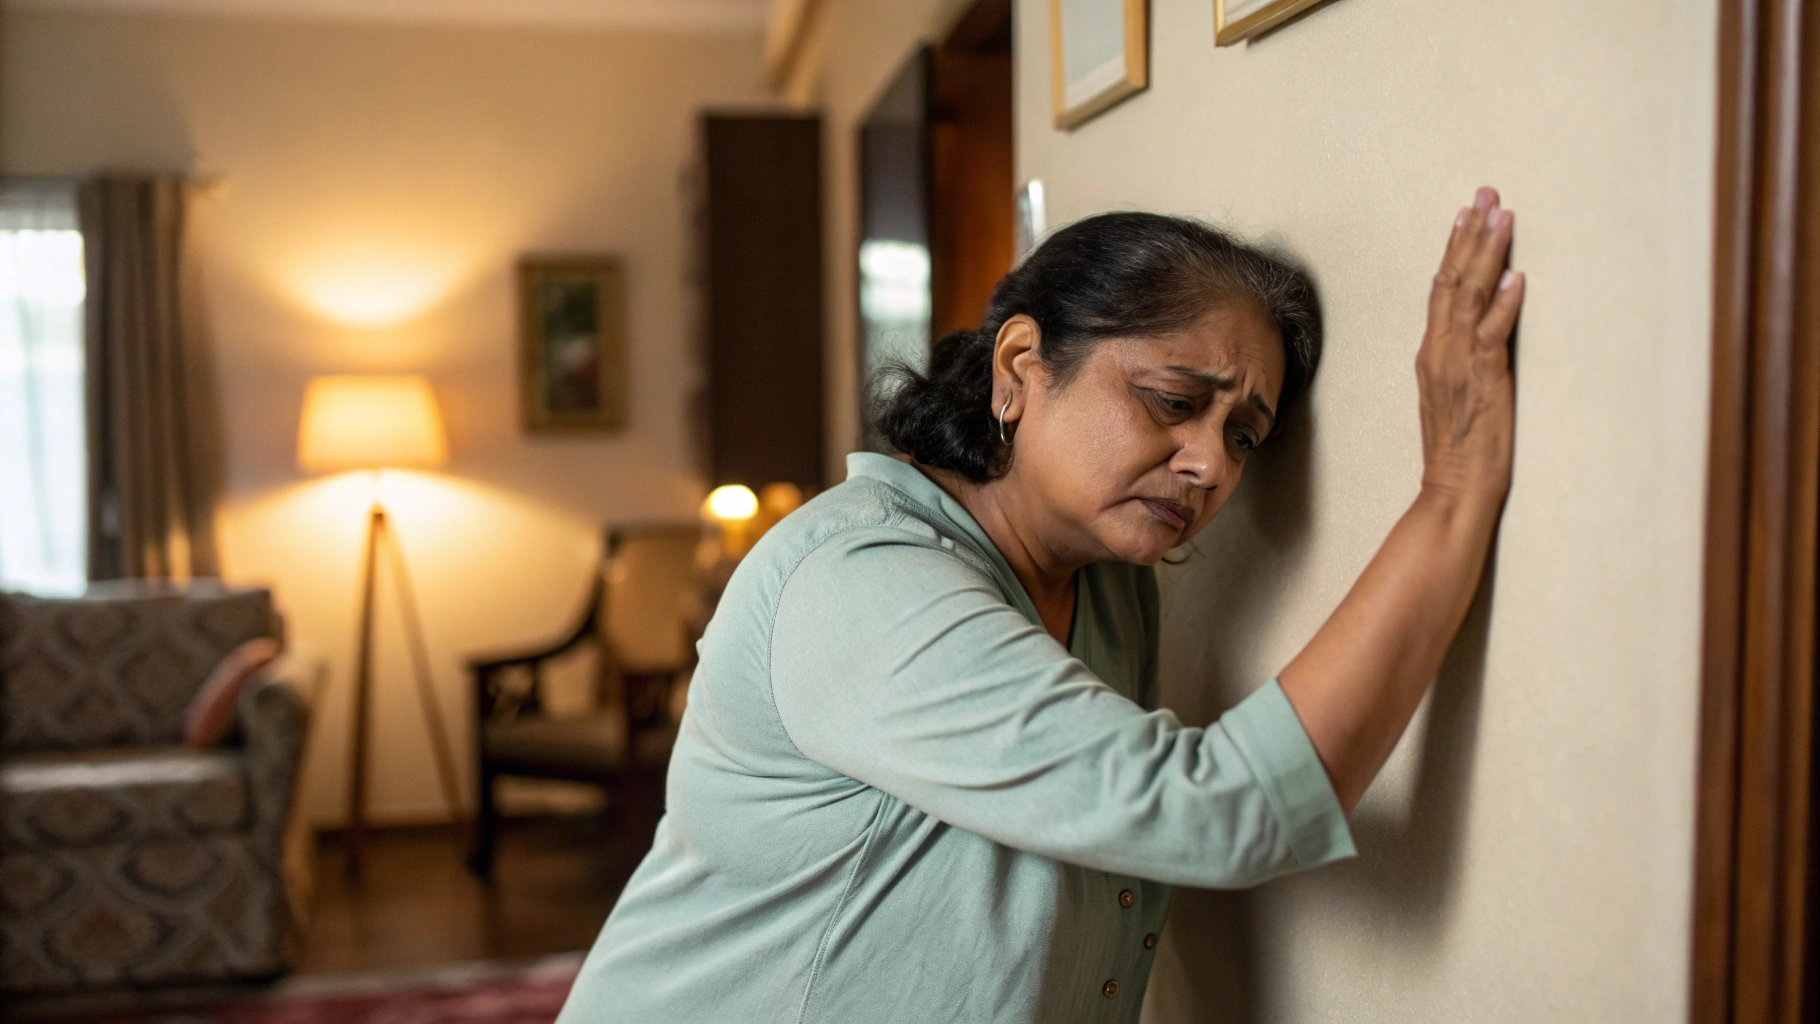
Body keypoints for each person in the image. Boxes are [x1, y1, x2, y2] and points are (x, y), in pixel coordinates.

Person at [556, 188, 1524, 1023]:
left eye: (1242, 436)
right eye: (1170, 400)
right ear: (1020, 367)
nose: (1208, 464)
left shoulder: (1111, 587)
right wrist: (1449, 491)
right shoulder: (856, 580)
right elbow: (1216, 809)